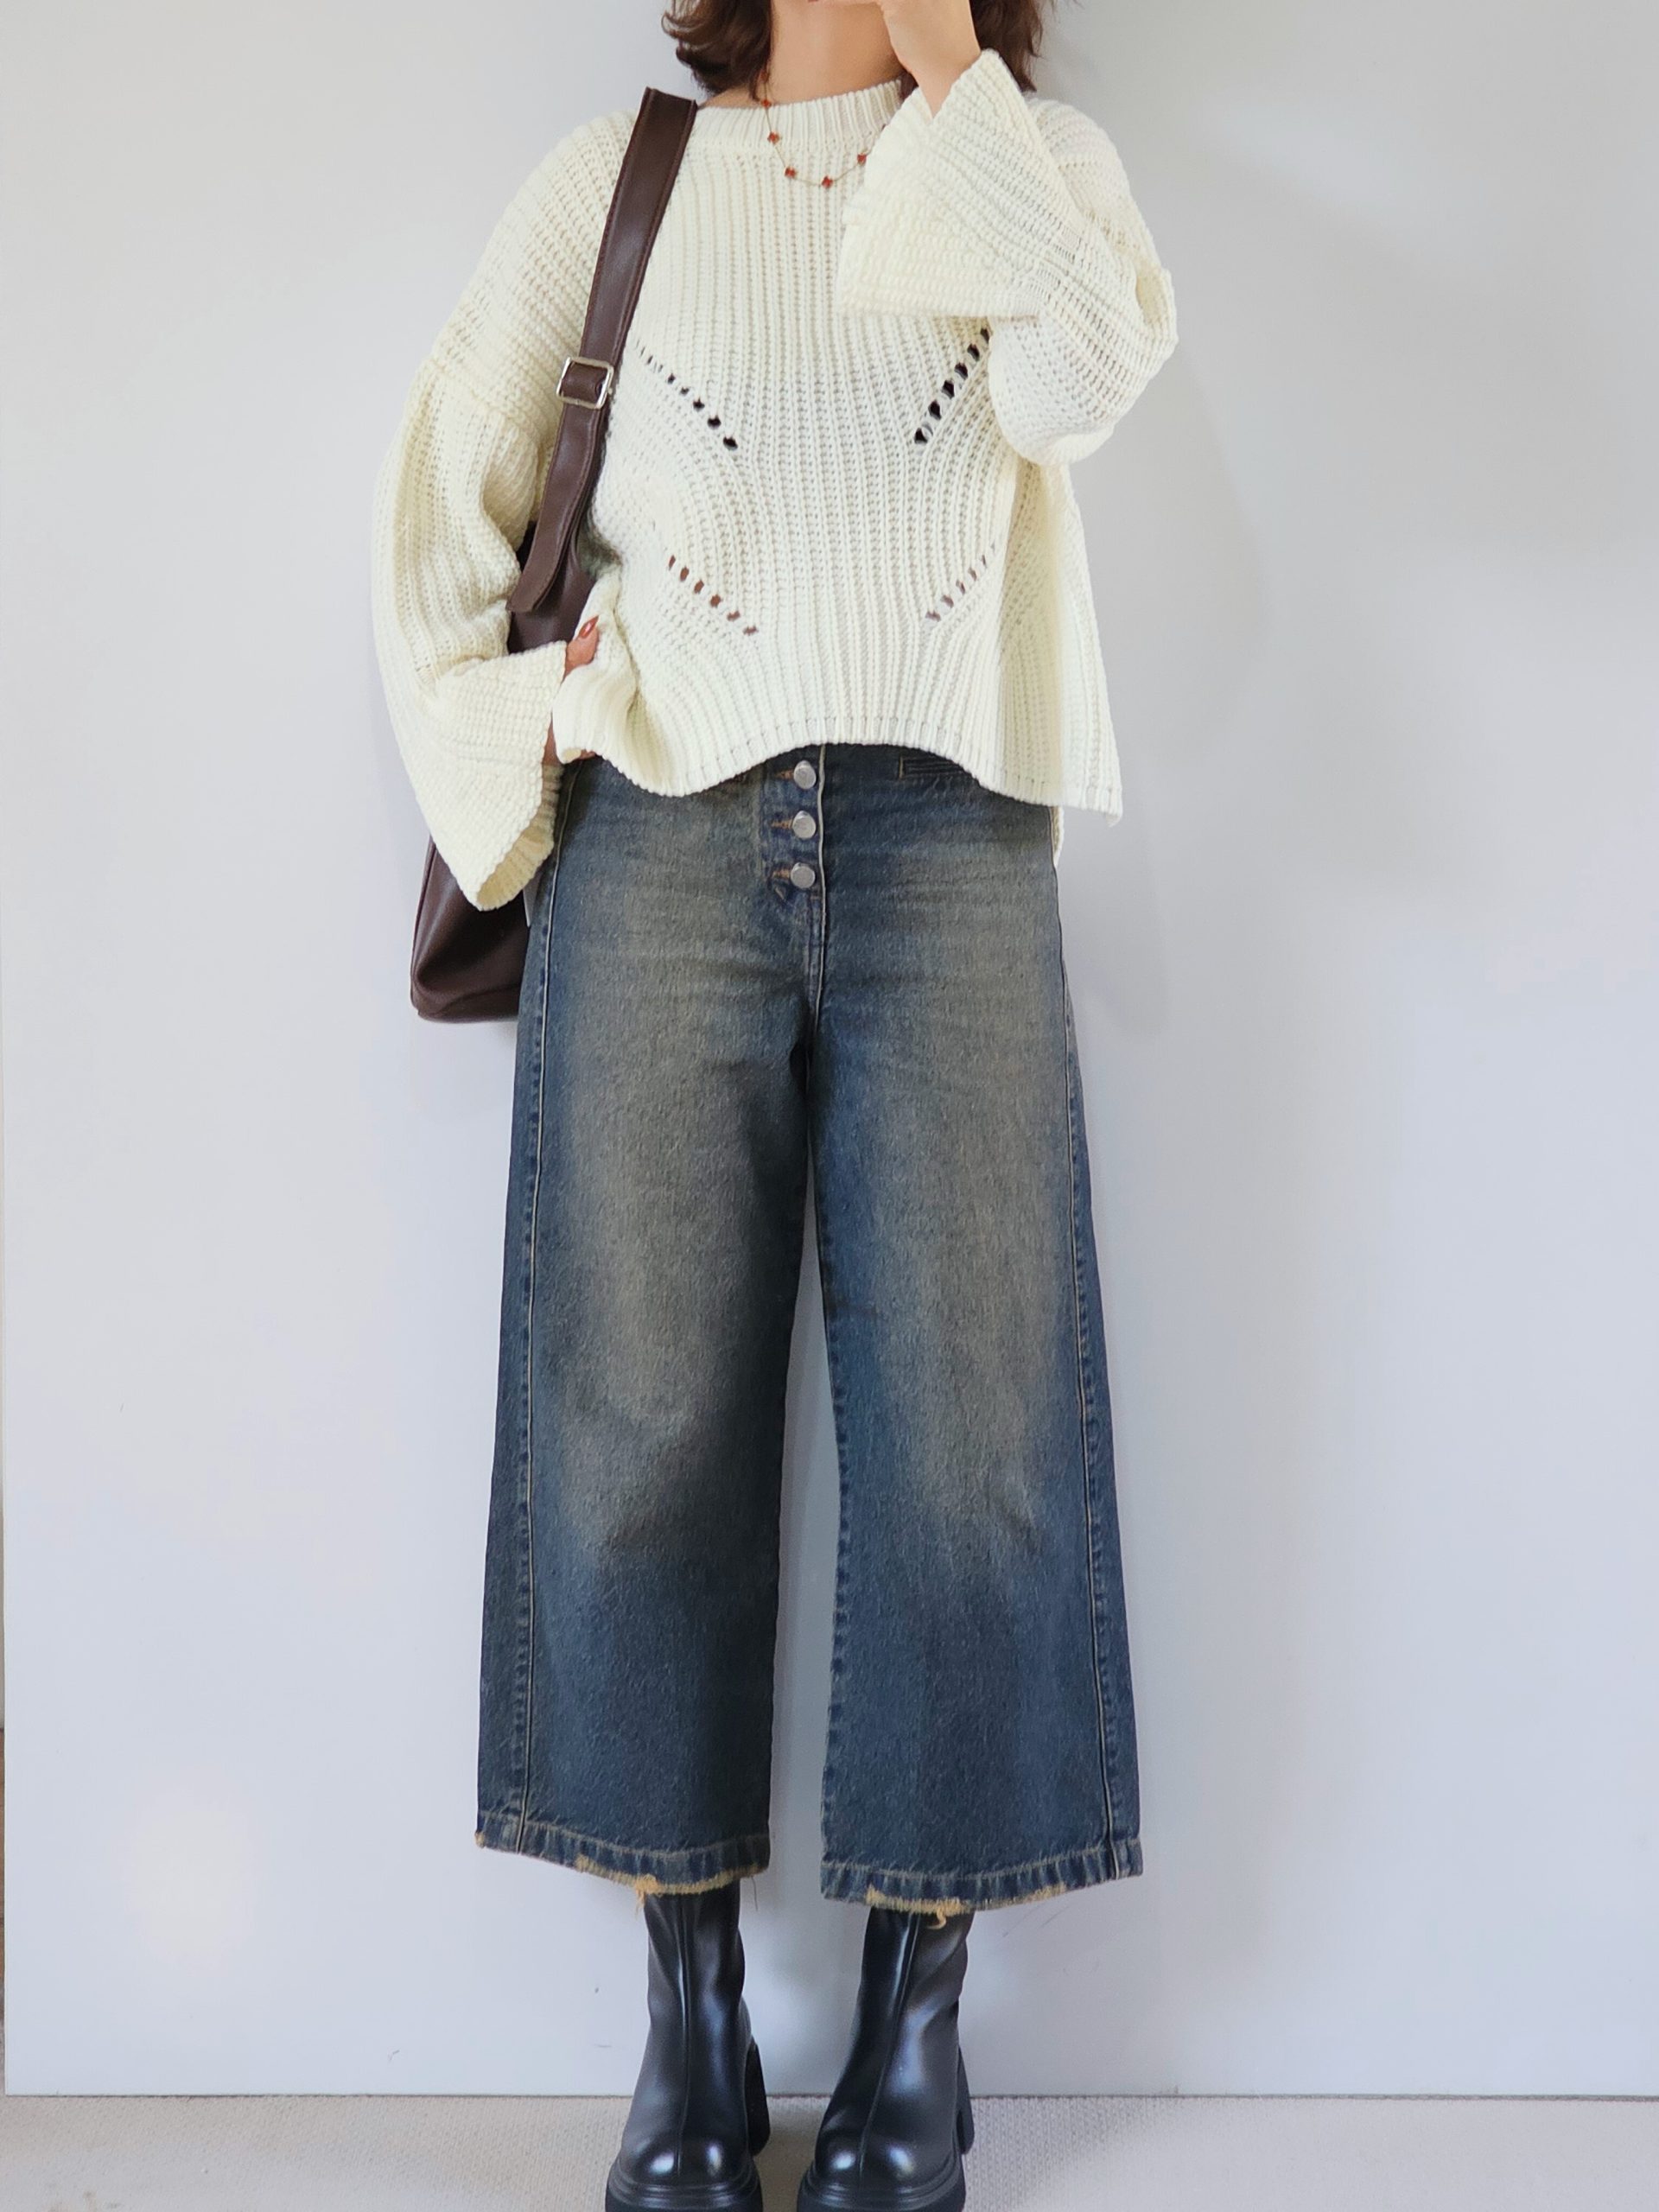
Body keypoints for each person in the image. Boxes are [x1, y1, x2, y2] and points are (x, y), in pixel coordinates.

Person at [370, 2, 1177, 2204]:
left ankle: (923, 2020)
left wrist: (956, 78)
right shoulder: (615, 185)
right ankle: (691, 2013)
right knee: (634, 1426)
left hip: (953, 838)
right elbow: (436, 517)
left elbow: (1080, 378)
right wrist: (537, 718)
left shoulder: (1036, 172)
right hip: (658, 841)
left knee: (981, 1434)